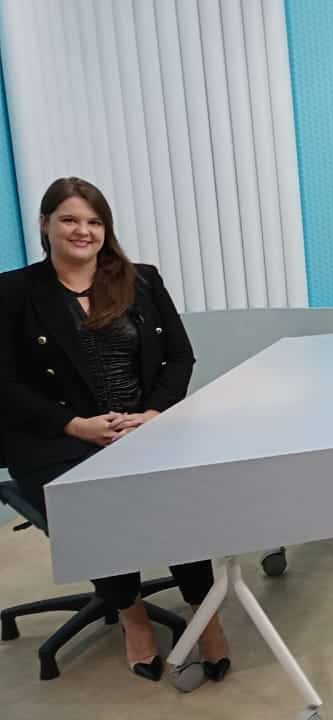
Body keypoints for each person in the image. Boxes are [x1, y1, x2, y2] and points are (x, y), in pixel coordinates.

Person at [0, 178, 229, 683]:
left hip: (143, 425)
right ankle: (132, 617)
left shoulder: (141, 280)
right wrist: (74, 424)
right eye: (70, 220)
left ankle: (204, 611)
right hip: (56, 437)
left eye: (94, 221)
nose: (83, 231)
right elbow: (6, 384)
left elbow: (179, 357)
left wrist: (152, 414)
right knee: (98, 500)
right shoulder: (14, 291)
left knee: (177, 491)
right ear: (45, 225)